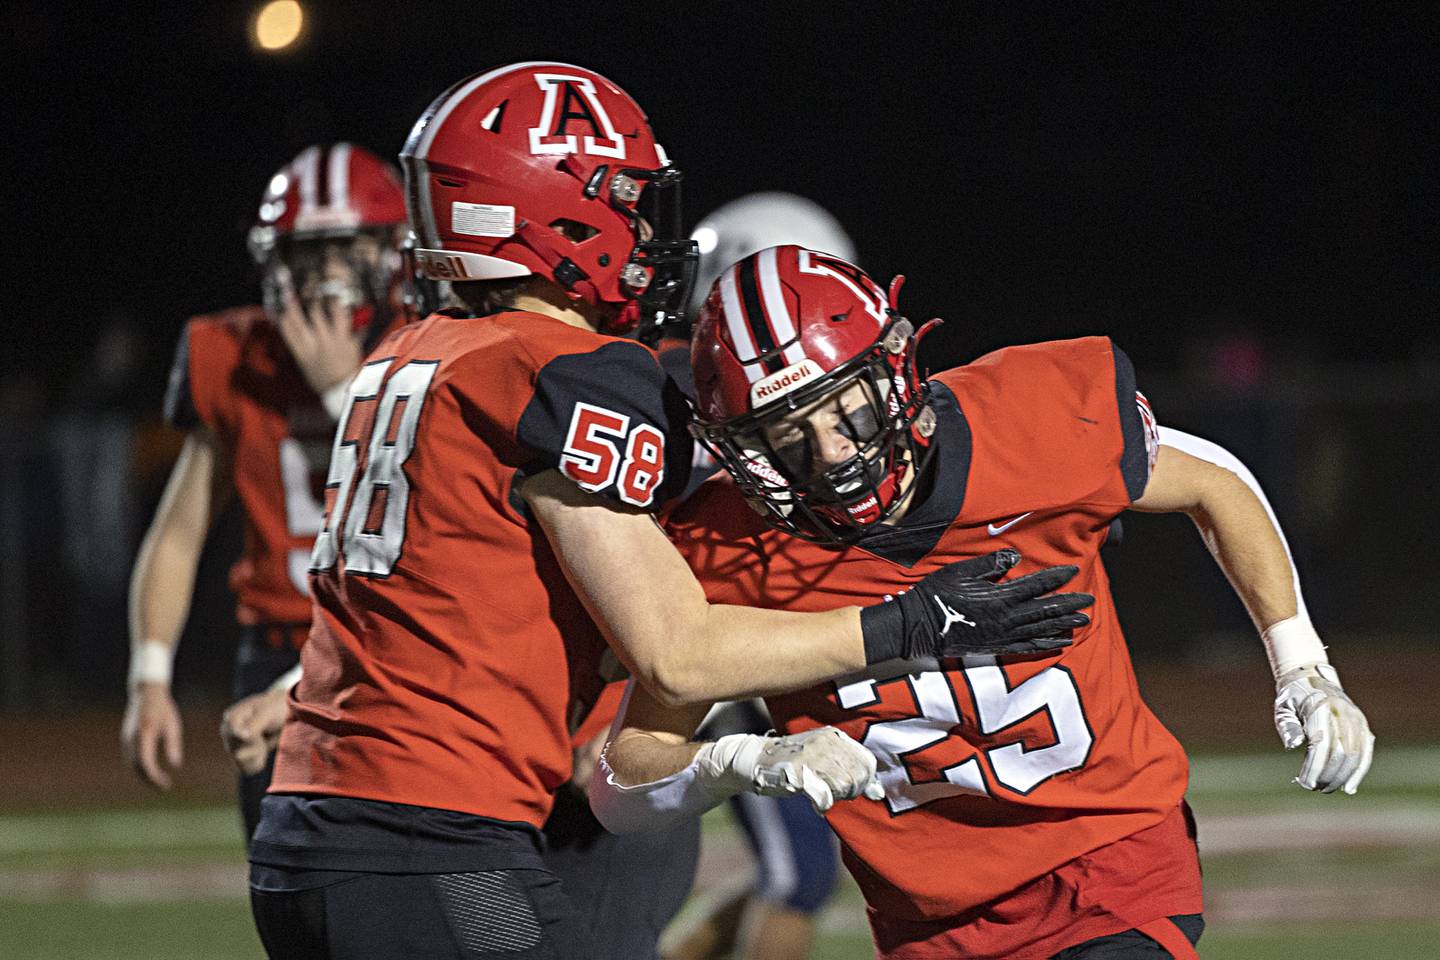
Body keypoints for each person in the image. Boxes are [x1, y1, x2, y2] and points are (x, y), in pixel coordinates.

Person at [245, 63, 1093, 960]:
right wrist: (912, 622)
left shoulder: (408, 361)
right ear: (553, 210)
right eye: (626, 200)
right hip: (433, 846)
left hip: (308, 834)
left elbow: (429, 602)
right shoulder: (560, 372)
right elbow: (677, 652)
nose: (648, 229)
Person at [592, 244, 1376, 960]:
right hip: (927, 923)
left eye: (848, 411)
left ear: (895, 368)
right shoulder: (723, 549)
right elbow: (620, 782)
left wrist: (1304, 665)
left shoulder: (1028, 420)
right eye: (788, 436)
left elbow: (1212, 480)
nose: (832, 454)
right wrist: (745, 760)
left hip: (1109, 859)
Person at [121, 143, 409, 843]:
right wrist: (149, 676)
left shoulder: (424, 347)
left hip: (395, 644)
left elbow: (429, 497)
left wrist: (345, 391)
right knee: (288, 886)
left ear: (389, 255)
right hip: (279, 644)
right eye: (303, 257)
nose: (320, 280)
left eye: (341, 254)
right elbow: (179, 533)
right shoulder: (237, 357)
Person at [665, 192, 859, 960]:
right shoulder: (689, 399)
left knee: (804, 869)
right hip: (731, 660)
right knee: (799, 874)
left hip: (779, 641)